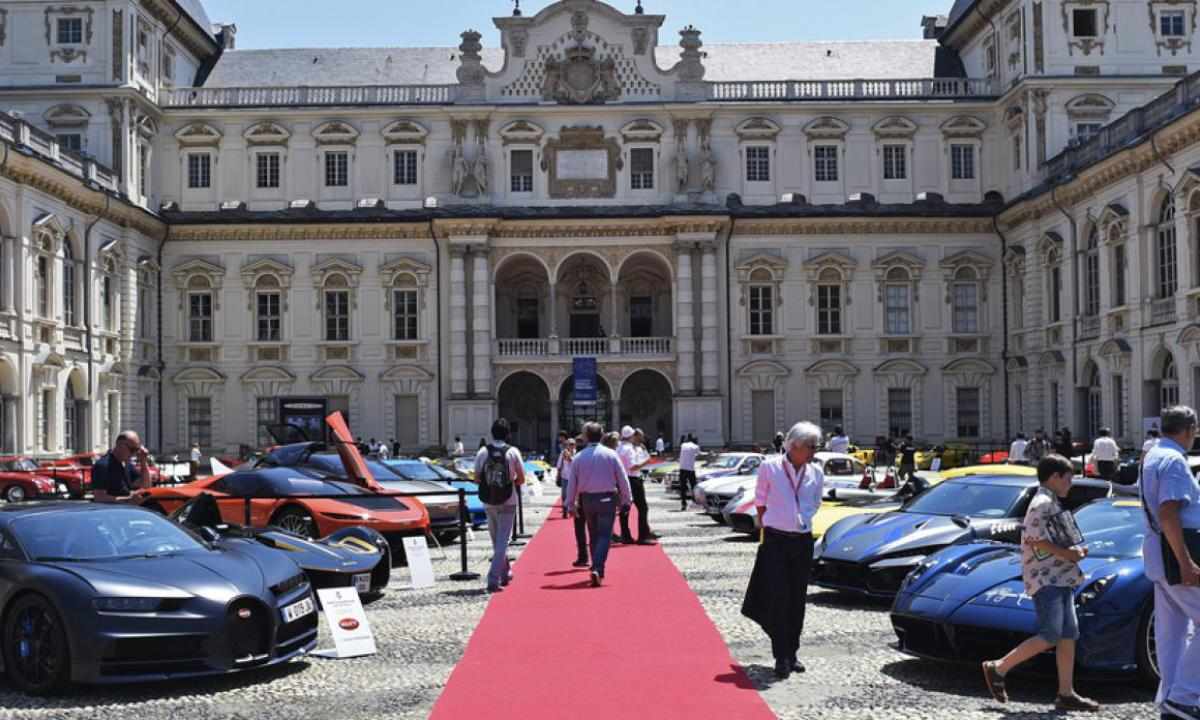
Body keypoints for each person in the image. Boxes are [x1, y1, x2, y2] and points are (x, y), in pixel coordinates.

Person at [981, 454, 1100, 712]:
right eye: (1068, 479)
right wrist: (1069, 554)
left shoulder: (1049, 501)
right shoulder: (1043, 503)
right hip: (1047, 577)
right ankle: (998, 668)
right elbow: (1036, 540)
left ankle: (1066, 693)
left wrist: (1072, 553)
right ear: (1055, 477)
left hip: (1060, 576)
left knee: (1068, 634)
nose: (1071, 484)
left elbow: (1048, 539)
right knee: (1051, 634)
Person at [741, 421, 825, 680]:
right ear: (795, 446)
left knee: (797, 598)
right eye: (811, 446)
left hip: (802, 540)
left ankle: (793, 652)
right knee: (778, 597)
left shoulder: (816, 471)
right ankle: (781, 655)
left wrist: (802, 517)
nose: (814, 451)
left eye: (815, 447)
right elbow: (760, 500)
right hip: (776, 540)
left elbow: (816, 501)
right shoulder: (770, 467)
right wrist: (770, 523)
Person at [1140, 406, 1200, 720]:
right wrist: (1186, 562)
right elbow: (1168, 513)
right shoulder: (1175, 460)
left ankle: (1171, 698)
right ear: (1189, 429)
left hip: (1158, 556)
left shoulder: (1152, 455)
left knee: (1172, 632)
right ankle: (1184, 696)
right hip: (1176, 554)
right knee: (1176, 630)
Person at [565, 422, 632, 587]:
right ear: (601, 436)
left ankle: (596, 567)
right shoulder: (611, 454)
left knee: (593, 534)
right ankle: (597, 567)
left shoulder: (579, 457)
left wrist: (570, 504)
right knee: (605, 535)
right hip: (607, 498)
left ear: (586, 437)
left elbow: (572, 483)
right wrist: (627, 498)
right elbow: (622, 478)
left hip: (587, 499)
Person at [474, 418, 526, 593]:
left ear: (492, 433)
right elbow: (522, 479)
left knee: (496, 541)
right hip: (508, 500)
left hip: (488, 499)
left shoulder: (483, 452)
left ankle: (505, 573)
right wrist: (509, 483)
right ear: (508, 434)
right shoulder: (513, 452)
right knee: (502, 541)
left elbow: (477, 478)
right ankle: (493, 579)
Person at [615, 426, 653, 545]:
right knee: (642, 507)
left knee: (625, 508)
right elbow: (633, 467)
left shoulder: (619, 447)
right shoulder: (629, 449)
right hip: (633, 479)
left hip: (622, 479)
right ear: (631, 436)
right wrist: (646, 462)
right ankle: (643, 535)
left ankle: (625, 535)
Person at [93, 431, 153, 503]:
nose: (134, 453)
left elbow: (146, 486)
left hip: (125, 508)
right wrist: (128, 499)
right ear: (120, 445)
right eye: (132, 449)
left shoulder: (127, 464)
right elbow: (99, 497)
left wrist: (143, 461)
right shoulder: (103, 465)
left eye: (137, 450)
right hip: (111, 509)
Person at [678, 433, 701, 511]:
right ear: (695, 441)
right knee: (694, 486)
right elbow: (699, 455)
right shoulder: (696, 446)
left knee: (683, 487)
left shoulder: (683, 445)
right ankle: (694, 502)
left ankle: (683, 504)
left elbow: (681, 443)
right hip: (690, 469)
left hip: (682, 469)